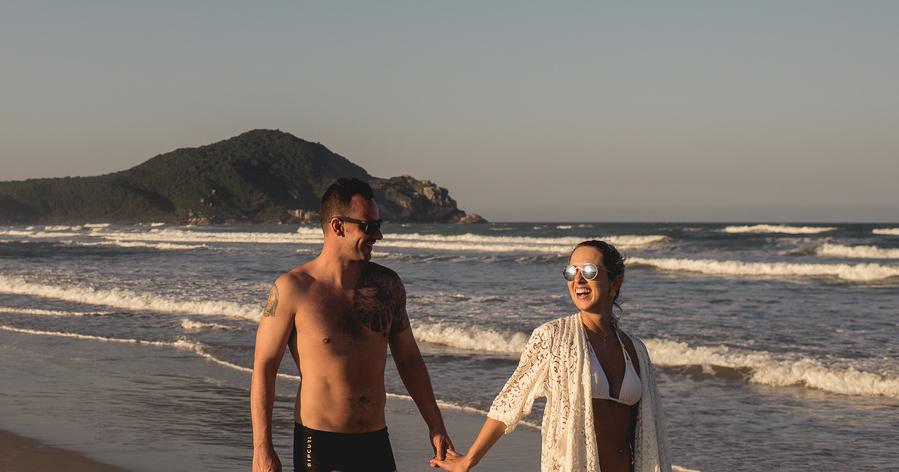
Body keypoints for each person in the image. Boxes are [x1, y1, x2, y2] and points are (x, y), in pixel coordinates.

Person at [252, 177, 453, 472]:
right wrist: (263, 449)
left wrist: (436, 424)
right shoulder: (294, 289)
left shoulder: (387, 286)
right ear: (338, 226)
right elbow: (265, 367)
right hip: (320, 442)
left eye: (379, 224)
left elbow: (409, 358)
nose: (378, 235)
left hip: (375, 439)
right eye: (369, 226)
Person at [430, 240, 670, 472]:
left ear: (615, 282)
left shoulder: (635, 349)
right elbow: (509, 401)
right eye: (571, 272)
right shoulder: (553, 337)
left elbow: (648, 427)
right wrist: (469, 460)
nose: (578, 280)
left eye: (589, 271)